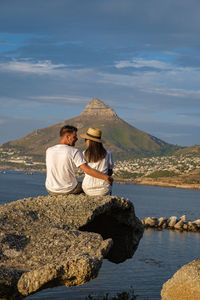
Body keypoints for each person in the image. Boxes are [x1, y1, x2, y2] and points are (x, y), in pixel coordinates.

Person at [45, 125, 113, 195]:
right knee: (86, 187)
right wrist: (106, 177)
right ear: (68, 137)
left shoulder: (49, 150)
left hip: (50, 189)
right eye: (74, 137)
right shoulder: (74, 151)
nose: (77, 139)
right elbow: (87, 170)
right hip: (68, 189)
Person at [80, 127, 114, 196]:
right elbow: (110, 171)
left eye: (85, 139)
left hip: (87, 188)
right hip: (104, 189)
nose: (85, 141)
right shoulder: (108, 153)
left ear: (89, 141)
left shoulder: (84, 154)